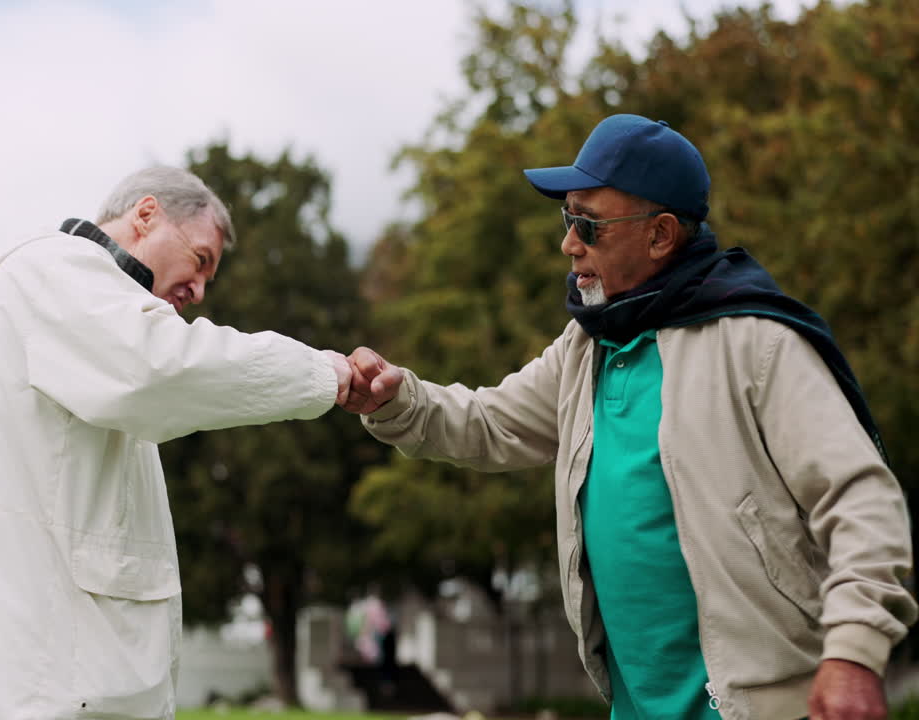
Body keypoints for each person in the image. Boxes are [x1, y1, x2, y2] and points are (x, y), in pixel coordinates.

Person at [342, 114, 916, 720]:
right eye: (567, 218)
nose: (569, 243)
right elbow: (492, 423)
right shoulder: (586, 344)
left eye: (587, 224)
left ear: (661, 235)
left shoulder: (758, 342)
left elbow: (862, 501)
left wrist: (853, 652)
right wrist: (397, 400)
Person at [0, 166, 353, 720]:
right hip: (46, 683)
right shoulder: (57, 272)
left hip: (51, 674)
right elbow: (159, 368)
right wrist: (321, 373)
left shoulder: (84, 306)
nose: (198, 292)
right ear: (146, 214)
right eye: (200, 260)